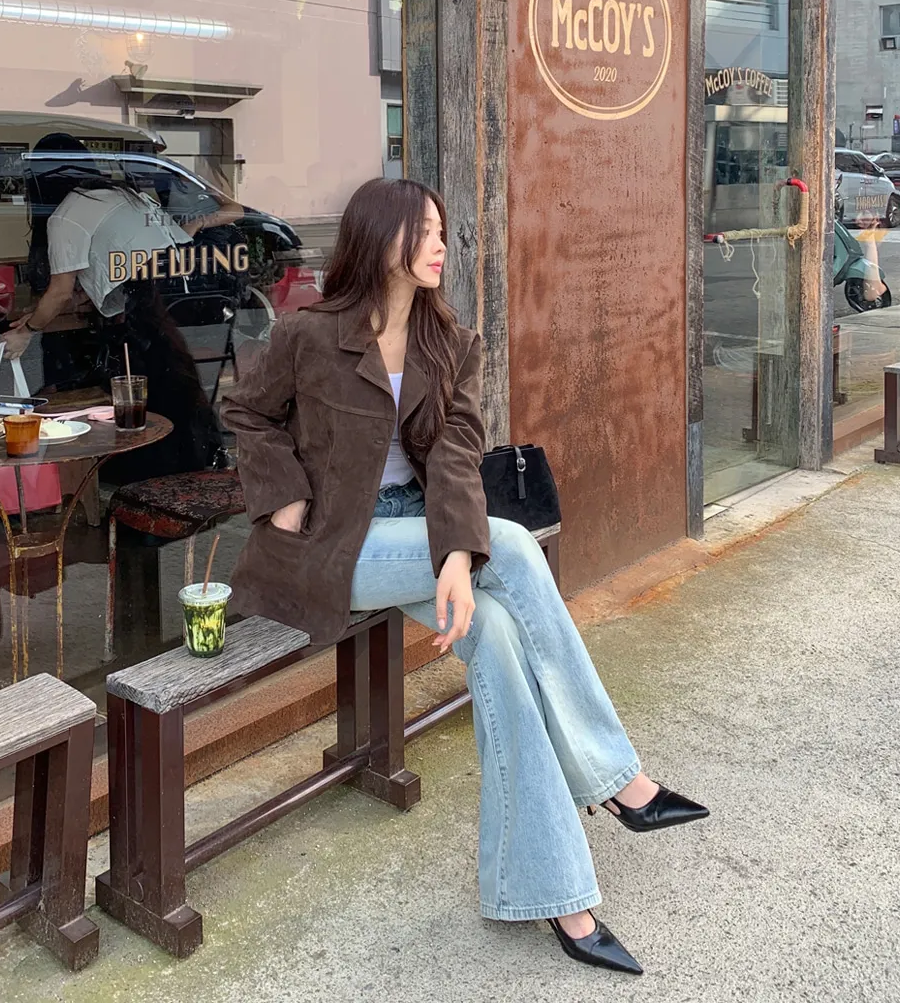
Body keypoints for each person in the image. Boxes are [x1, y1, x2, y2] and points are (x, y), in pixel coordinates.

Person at [221, 178, 708, 977]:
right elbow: (246, 411)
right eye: (425, 230)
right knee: (509, 547)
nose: (441, 245)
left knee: (504, 637)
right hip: (337, 548)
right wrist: (284, 497)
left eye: (442, 230)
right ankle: (620, 781)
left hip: (421, 532)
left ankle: (556, 894)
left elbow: (456, 451)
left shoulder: (451, 342)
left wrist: (452, 555)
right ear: (379, 238)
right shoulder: (308, 334)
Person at [1, 133, 236, 481]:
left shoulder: (66, 215)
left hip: (139, 308)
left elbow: (60, 292)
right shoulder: (124, 195)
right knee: (172, 386)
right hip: (172, 296)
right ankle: (194, 463)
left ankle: (148, 475)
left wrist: (28, 331)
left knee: (142, 392)